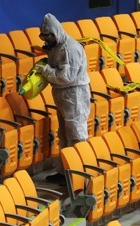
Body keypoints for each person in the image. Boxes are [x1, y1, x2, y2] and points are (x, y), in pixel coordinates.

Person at [36, 13, 91, 184]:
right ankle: (64, 171)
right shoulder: (56, 47)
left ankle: (79, 174)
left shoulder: (70, 49)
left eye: (47, 37)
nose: (45, 41)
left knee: (76, 135)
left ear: (55, 33)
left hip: (74, 94)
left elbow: (66, 77)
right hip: (63, 95)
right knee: (64, 135)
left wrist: (45, 70)